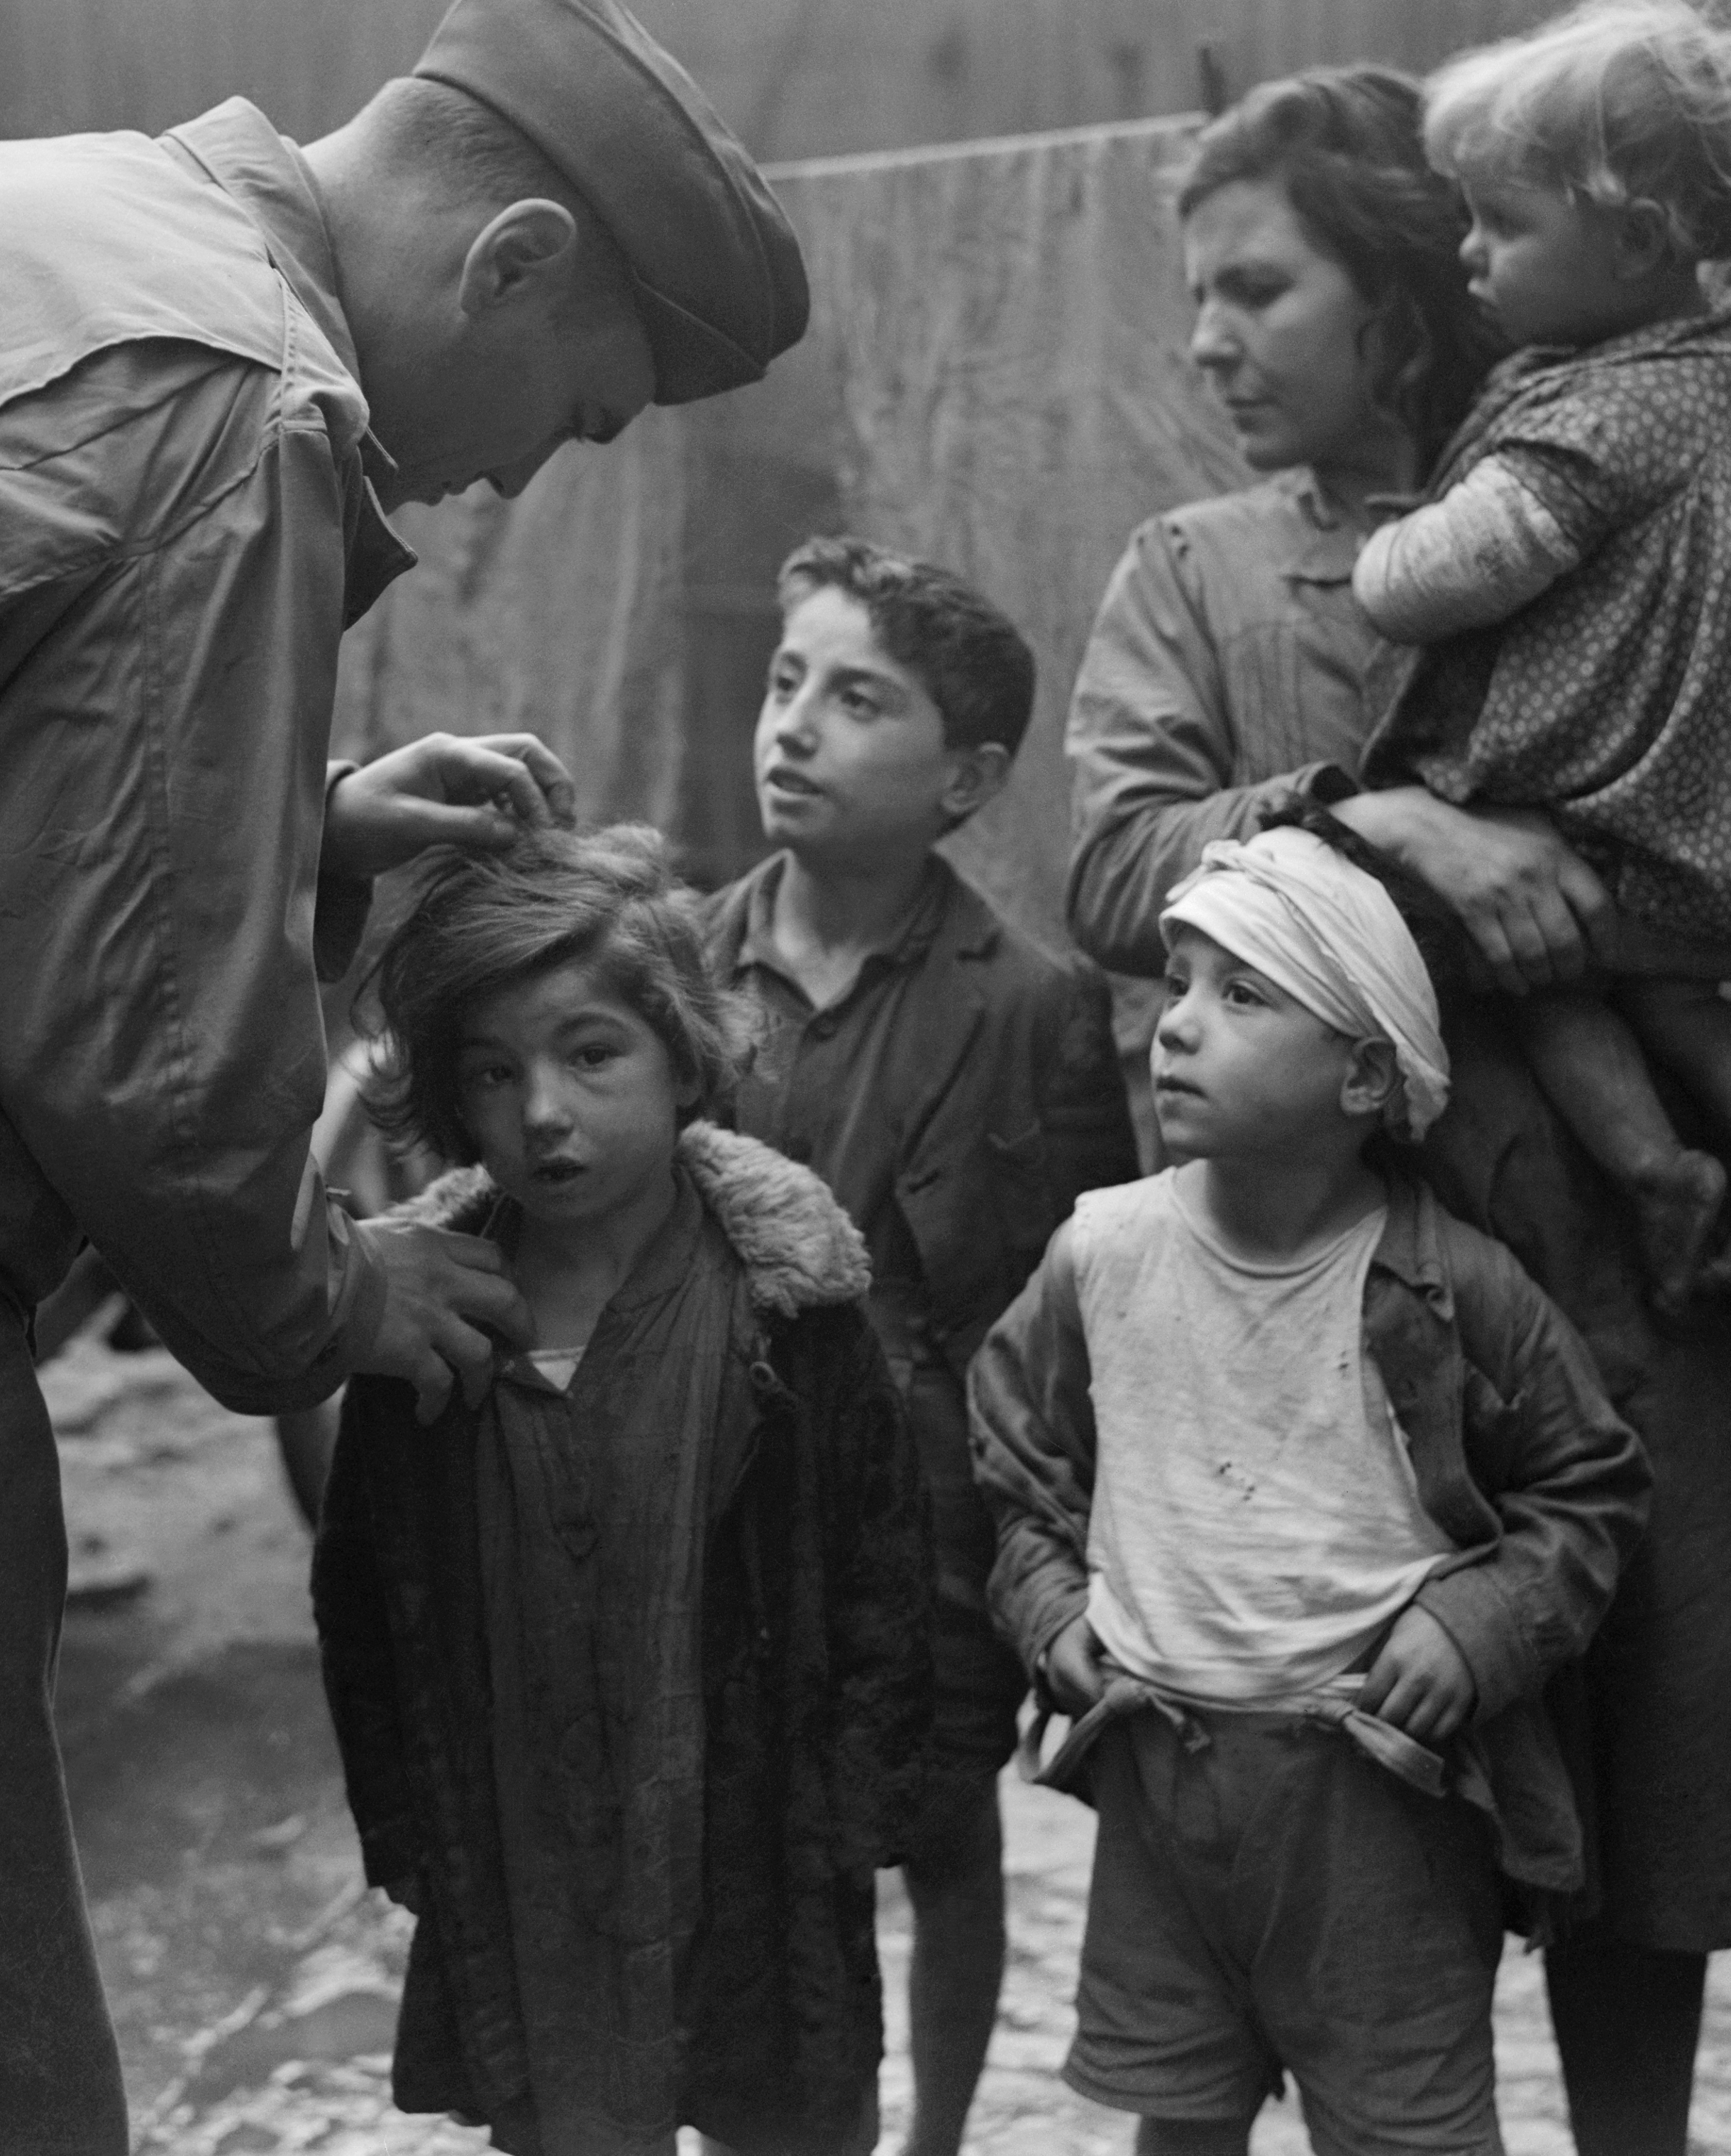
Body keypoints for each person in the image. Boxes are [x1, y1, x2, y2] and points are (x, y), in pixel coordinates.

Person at [0, 2, 807, 2147]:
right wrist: (339, 1298)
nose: (492, 486)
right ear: (516, 256)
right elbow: (148, 1076)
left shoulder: (29, 208)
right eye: (571, 419)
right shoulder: (240, 405)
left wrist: (297, 811)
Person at [1064, 67, 1731, 2156]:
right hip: (1328, 1278)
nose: (1207, 340)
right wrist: (1397, 820)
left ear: (1396, 297)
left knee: (1655, 1803)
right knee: (1315, 1811)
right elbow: (1103, 871)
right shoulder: (1198, 571)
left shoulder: (1626, 479)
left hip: (1631, 1246)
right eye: (1197, 297)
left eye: (1256, 288)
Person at [973, 824, 1648, 2156]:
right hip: (1164, 1782)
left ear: (1361, 1076)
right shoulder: (1102, 1252)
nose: (1177, 1026)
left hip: (1378, 1805)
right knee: (1180, 2113)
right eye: (1176, 985)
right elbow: (1015, 1456)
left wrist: (1478, 1626)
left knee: (1407, 2132)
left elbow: (1588, 1488)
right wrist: (1050, 1611)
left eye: (1241, 996)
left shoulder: (1457, 1290)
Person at [315, 823, 934, 2156]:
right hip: (523, 1828)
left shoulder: (786, 1304)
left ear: (680, 1053)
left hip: (748, 1829)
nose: (542, 1110)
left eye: (590, 1053)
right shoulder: (429, 1321)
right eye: (492, 1073)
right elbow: (363, 1593)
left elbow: (880, 1558)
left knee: (774, 2104)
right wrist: (409, 1828)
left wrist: (852, 1813)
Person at [1352, 0, 1731, 1308]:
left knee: (1530, 969)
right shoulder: (1723, 360)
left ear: (1636, 241)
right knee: (1680, 1000)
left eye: (1503, 223)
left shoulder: (1608, 411)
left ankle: (1656, 1172)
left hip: (1641, 823)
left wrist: (1380, 558)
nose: (1469, 253)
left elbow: (1440, 581)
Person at [699, 536, 1137, 2156]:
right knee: (745, 1852)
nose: (794, 724)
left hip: (931, 1523)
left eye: (856, 698)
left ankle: (936, 2136)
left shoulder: (1036, 1007)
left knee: (943, 1836)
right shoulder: (667, 972)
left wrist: (1055, 1542)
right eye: (785, 680)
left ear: (968, 776)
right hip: (719, 1509)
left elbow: (1078, 1311)